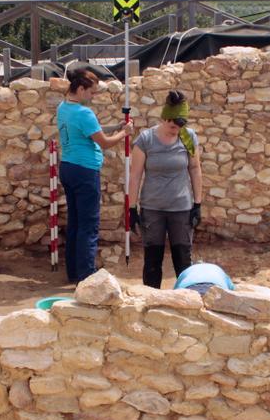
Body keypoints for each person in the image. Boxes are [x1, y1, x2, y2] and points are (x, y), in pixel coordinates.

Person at [57, 69, 133, 283]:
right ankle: (86, 276)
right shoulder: (84, 113)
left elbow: (93, 130)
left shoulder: (63, 108)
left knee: (75, 222)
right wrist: (124, 133)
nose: (93, 97)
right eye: (92, 92)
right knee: (88, 225)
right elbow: (104, 142)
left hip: (68, 168)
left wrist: (116, 126)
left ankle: (73, 272)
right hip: (85, 171)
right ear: (80, 89)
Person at [128, 90, 203, 289]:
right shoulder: (146, 140)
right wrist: (132, 208)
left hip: (181, 207)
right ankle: (150, 302)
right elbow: (135, 175)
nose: (175, 130)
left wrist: (198, 203)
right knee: (153, 260)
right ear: (164, 119)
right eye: (172, 126)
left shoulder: (188, 137)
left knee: (183, 259)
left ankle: (186, 300)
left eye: (180, 126)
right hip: (153, 209)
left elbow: (195, 169)